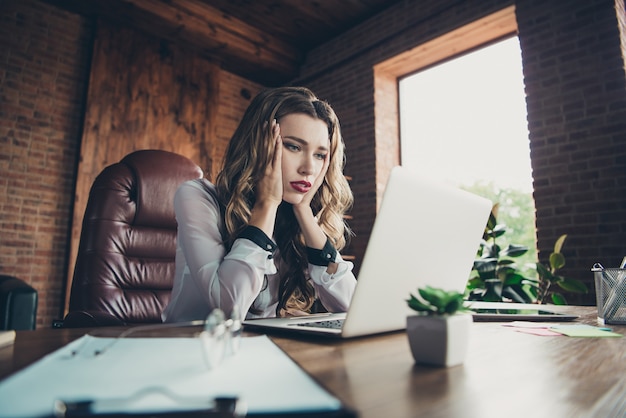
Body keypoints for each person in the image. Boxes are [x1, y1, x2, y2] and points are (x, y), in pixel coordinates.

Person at [162, 86, 357, 323]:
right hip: (191, 349)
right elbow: (228, 309)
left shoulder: (294, 217)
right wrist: (267, 204)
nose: (309, 168)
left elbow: (353, 308)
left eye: (319, 155)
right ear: (257, 146)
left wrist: (304, 213)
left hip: (263, 349)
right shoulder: (198, 197)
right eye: (294, 146)